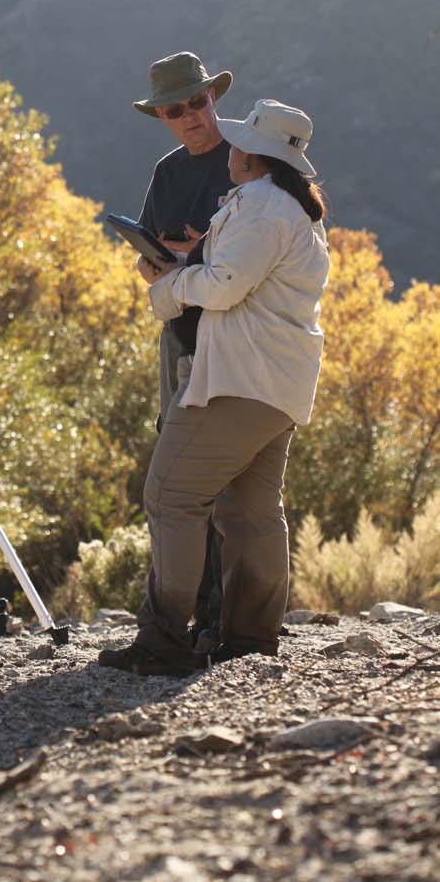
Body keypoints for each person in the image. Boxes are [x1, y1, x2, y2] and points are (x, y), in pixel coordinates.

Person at [100, 99, 329, 676]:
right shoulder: (292, 210)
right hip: (279, 384)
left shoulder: (260, 206)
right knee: (251, 508)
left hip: (236, 375)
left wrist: (170, 285)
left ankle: (162, 641)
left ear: (251, 155)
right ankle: (250, 638)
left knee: (170, 494)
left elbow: (224, 286)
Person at [133, 51, 235, 648]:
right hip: (179, 338)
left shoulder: (251, 160)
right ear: (163, 117)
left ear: (212, 97)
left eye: (197, 101)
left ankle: (224, 620)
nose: (191, 115)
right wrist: (152, 264)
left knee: (228, 484)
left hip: (236, 339)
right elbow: (153, 255)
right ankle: (190, 616)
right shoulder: (167, 172)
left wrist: (198, 254)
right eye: (176, 109)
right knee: (177, 481)